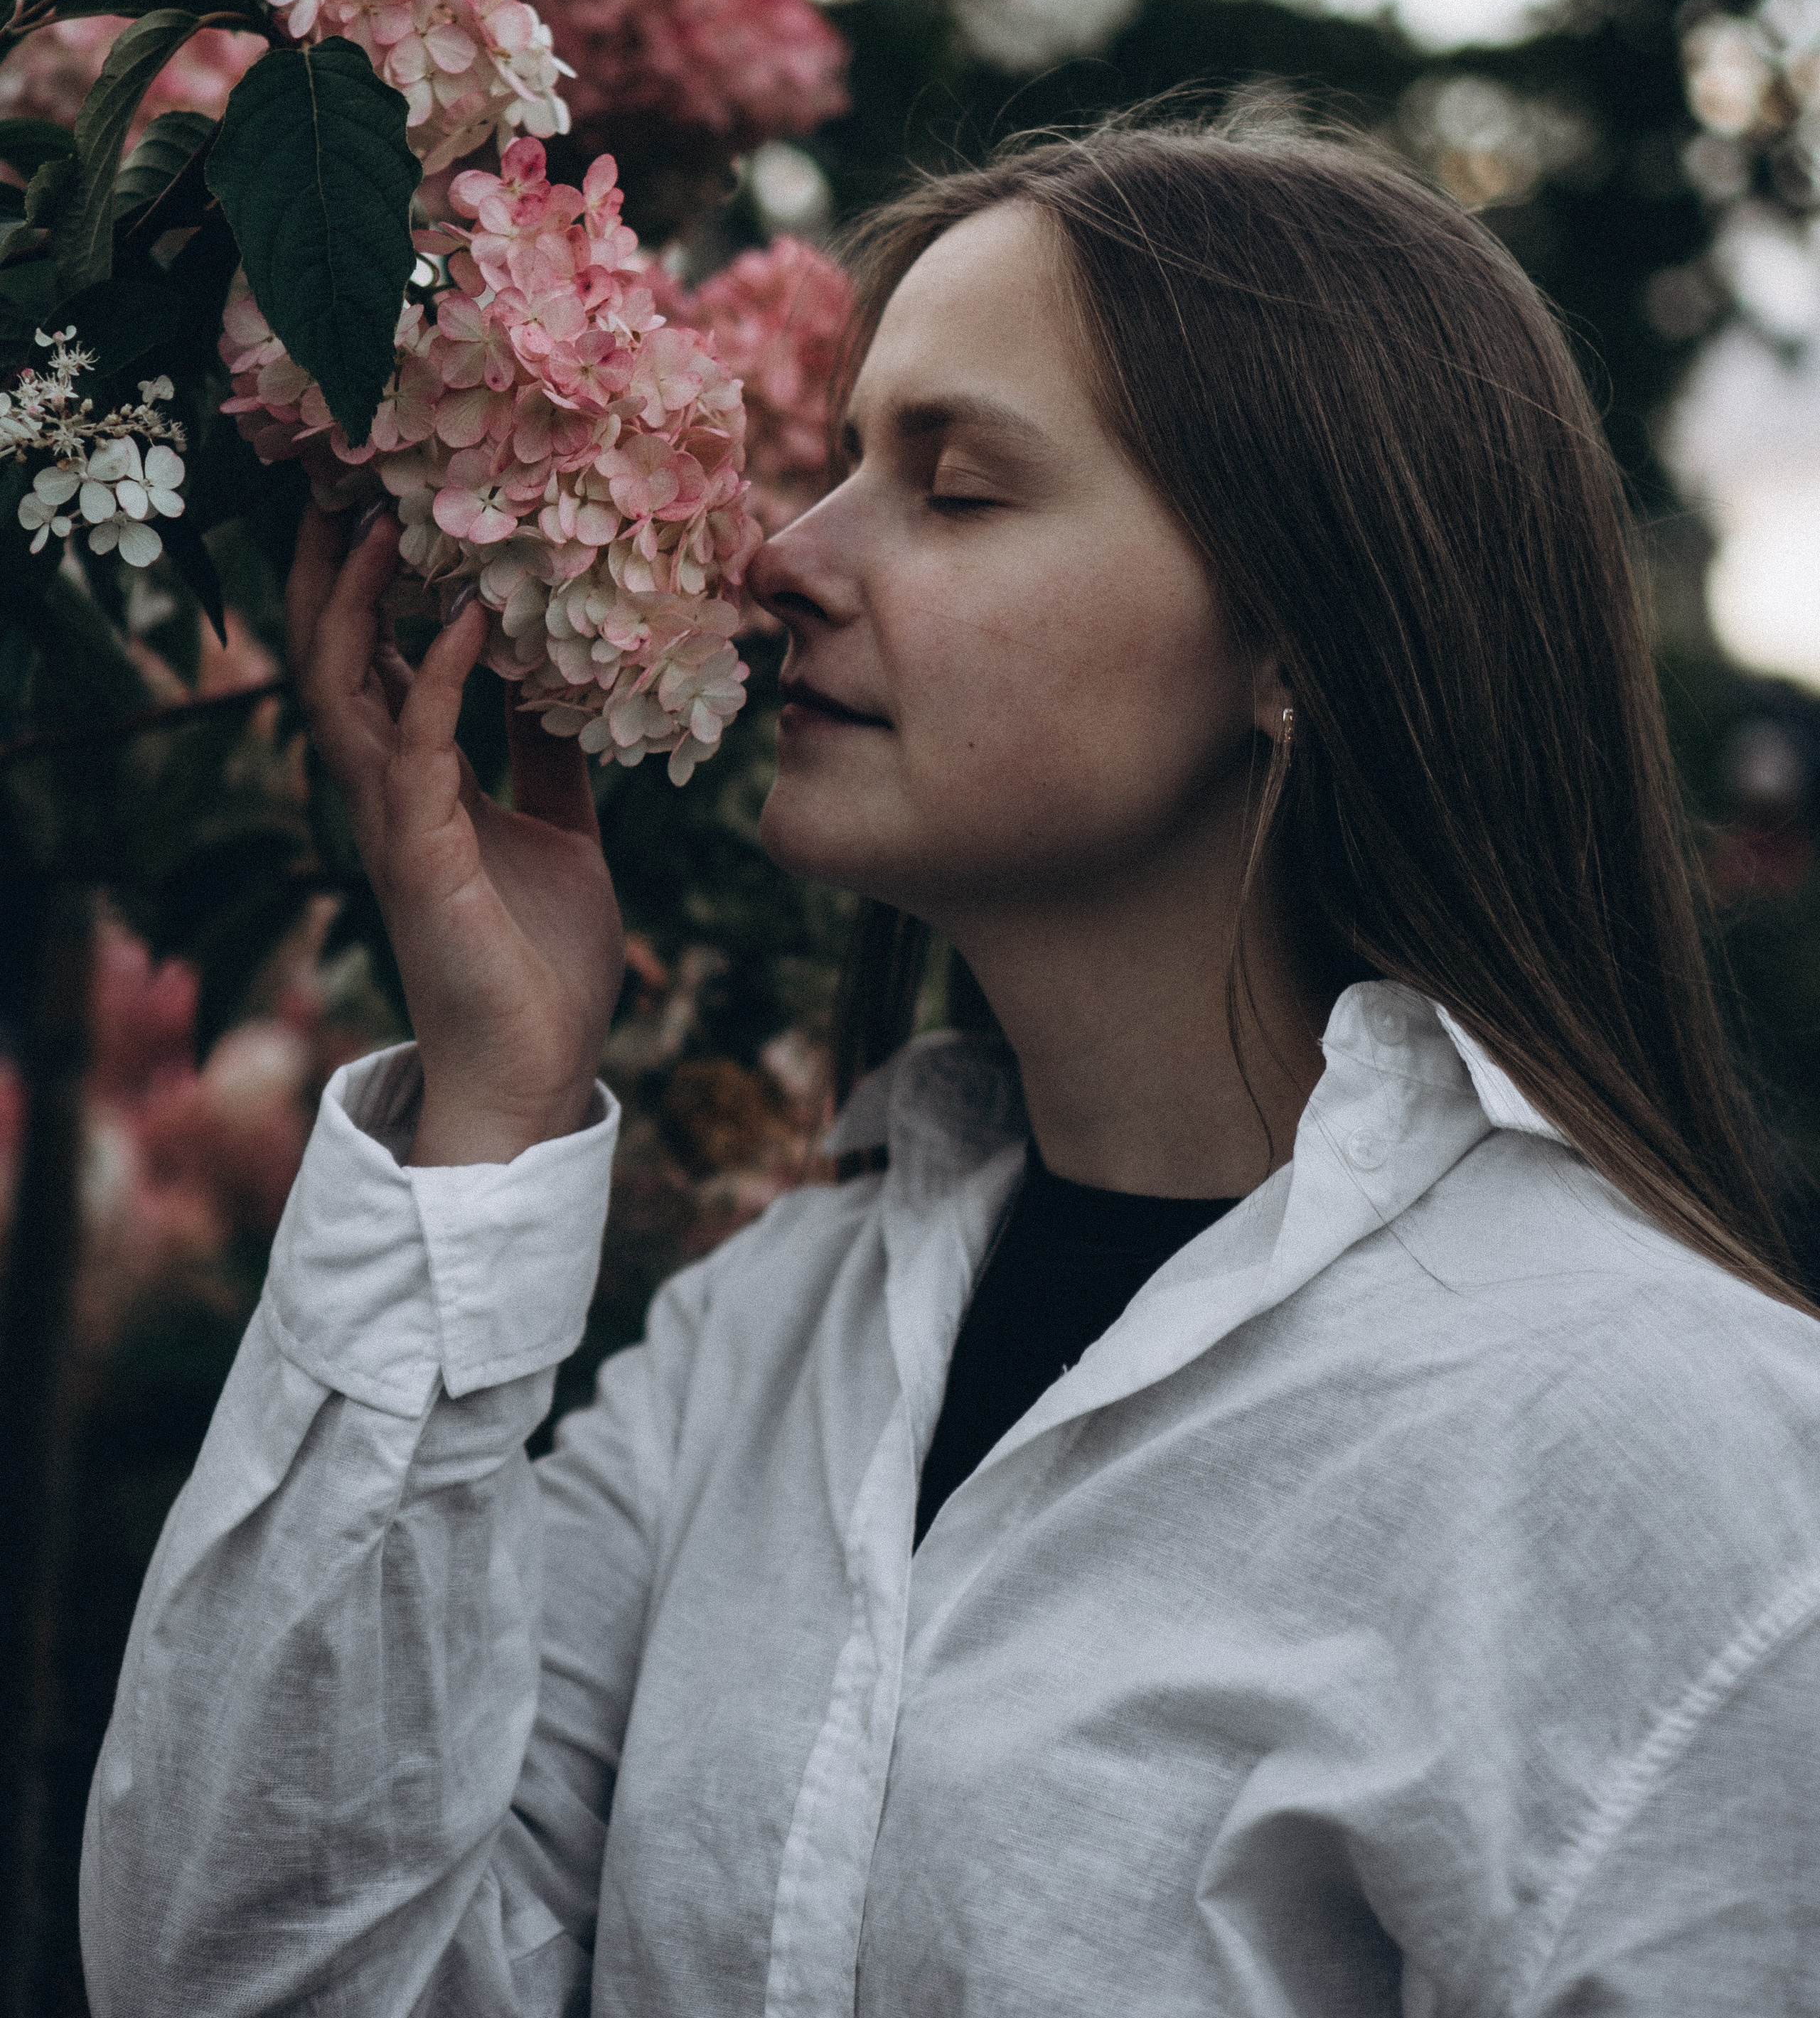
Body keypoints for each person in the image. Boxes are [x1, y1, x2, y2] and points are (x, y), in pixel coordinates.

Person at [82, 113, 1820, 2017]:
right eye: (838, 467)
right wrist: (487, 1112)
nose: (779, 557)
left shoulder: (1666, 1455)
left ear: (1301, 643)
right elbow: (253, 1973)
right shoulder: (769, 1342)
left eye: (960, 488)